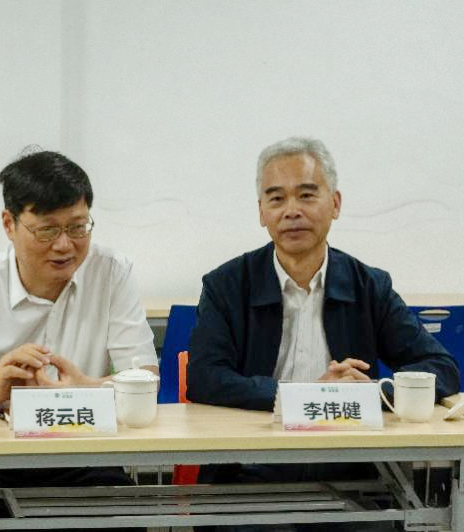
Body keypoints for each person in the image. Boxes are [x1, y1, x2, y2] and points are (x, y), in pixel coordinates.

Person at [186, 136, 459, 530]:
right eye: (276, 198)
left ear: (335, 203)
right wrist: (306, 396)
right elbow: (204, 377)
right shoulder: (226, 285)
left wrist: (372, 392)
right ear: (261, 212)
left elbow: (440, 367)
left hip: (353, 472)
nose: (291, 210)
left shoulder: (369, 285)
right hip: (252, 471)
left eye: (306, 195)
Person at [0, 147, 158, 516]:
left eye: (78, 227)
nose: (65, 245)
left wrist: (85, 388)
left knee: (127, 513)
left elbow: (145, 378)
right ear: (9, 224)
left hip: (86, 453)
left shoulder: (112, 272)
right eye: (47, 229)